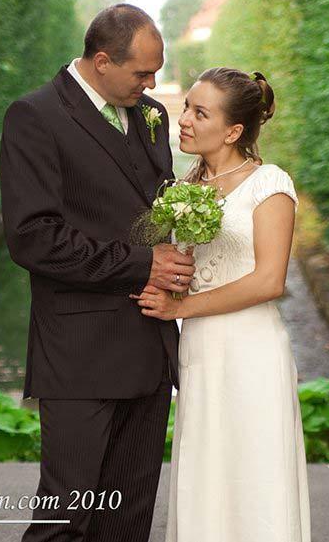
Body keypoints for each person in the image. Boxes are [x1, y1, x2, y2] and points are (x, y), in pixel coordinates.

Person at [0, 5, 195, 541]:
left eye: (156, 71)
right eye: (141, 73)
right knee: (66, 518)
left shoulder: (150, 113)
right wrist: (144, 263)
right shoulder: (34, 115)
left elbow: (151, 211)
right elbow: (33, 237)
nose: (152, 84)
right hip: (79, 351)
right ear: (102, 61)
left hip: (150, 345)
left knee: (129, 519)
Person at [131, 68, 311, 541]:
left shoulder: (268, 184)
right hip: (200, 349)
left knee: (254, 474)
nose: (184, 119)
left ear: (233, 131)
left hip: (250, 349)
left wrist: (180, 309)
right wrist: (166, 284)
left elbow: (270, 280)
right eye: (187, 106)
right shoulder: (186, 186)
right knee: (205, 469)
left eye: (199, 112)